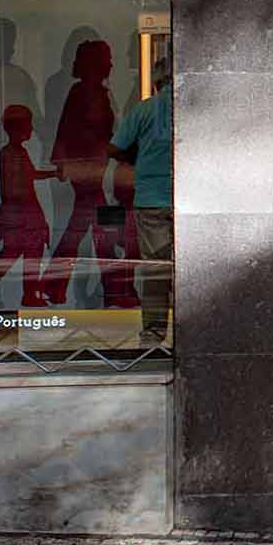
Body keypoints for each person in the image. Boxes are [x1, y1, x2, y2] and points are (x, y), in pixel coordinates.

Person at [45, 38, 128, 306]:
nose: (112, 64)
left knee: (87, 228)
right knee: (99, 227)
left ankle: (55, 285)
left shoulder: (91, 92)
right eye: (107, 59)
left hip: (93, 170)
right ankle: (114, 288)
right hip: (91, 172)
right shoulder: (86, 93)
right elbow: (74, 132)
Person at [108, 52, 173, 341]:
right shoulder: (193, 108)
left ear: (157, 82)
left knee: (156, 268)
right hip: (189, 198)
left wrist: (133, 159)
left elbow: (114, 147)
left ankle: (154, 333)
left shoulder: (144, 110)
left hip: (150, 199)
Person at [0, 105, 58, 307]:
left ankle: (30, 295)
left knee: (29, 256)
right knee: (13, 255)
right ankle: (30, 295)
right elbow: (15, 189)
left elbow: (29, 177)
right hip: (20, 218)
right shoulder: (8, 153)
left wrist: (53, 174)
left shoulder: (18, 152)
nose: (31, 129)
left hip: (24, 217)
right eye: (28, 124)